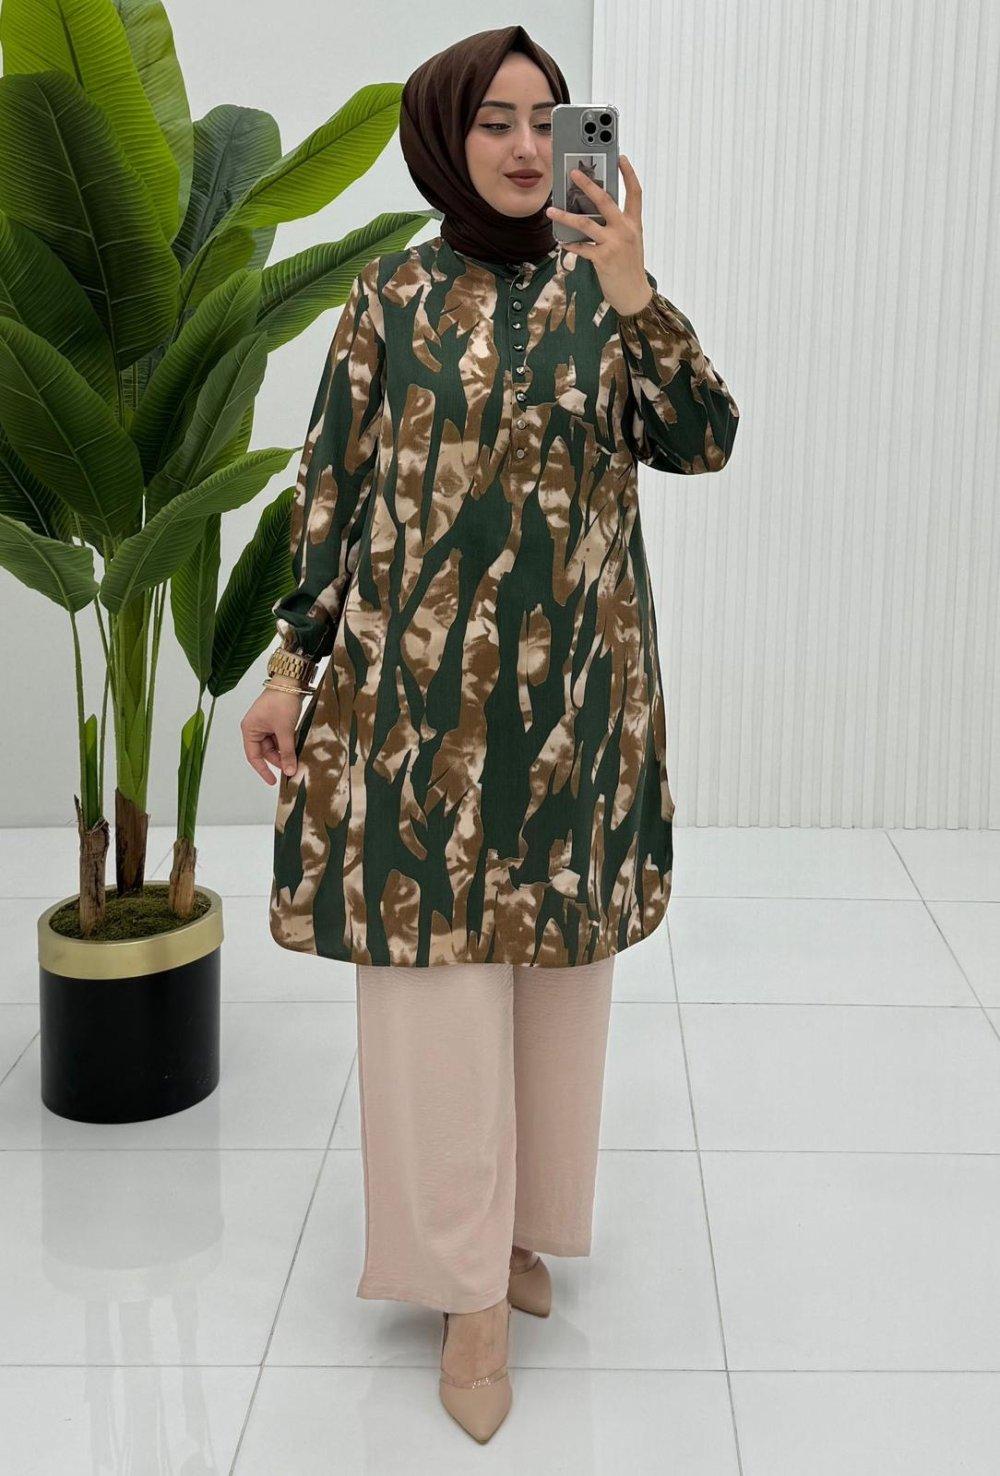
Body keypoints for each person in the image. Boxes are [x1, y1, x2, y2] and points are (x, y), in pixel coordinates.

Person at [240, 24, 739, 1445]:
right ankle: (462, 1293)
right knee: (436, 994)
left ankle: (516, 1231)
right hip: (416, 716)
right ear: (446, 138)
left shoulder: (606, 290)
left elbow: (704, 438)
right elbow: (330, 491)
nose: (526, 146)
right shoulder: (391, 296)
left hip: (578, 705)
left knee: (556, 980)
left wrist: (636, 291)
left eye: (547, 119)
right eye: (495, 121)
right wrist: (288, 667)